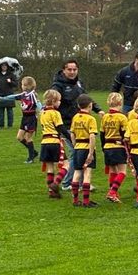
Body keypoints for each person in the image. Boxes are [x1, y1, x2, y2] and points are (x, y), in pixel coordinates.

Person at [50, 58, 101, 189]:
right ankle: (67, 183)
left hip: (80, 123)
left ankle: (82, 183)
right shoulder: (58, 86)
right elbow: (52, 102)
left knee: (80, 152)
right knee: (75, 152)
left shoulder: (79, 83)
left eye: (75, 69)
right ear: (64, 70)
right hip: (66, 125)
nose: (72, 72)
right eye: (69, 69)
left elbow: (86, 99)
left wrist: (98, 109)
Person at [0, 75, 41, 163]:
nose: (21, 86)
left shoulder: (32, 95)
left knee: (28, 137)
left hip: (31, 118)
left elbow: (38, 104)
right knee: (19, 137)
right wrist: (1, 99)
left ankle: (31, 158)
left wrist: (42, 111)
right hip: (24, 118)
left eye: (22, 84)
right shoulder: (23, 95)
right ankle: (34, 152)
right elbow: (12, 97)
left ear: (27, 86)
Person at [68, 94, 99, 207]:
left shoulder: (75, 117)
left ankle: (75, 200)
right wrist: (91, 153)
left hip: (78, 148)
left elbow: (72, 133)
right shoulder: (91, 119)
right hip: (86, 148)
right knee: (87, 173)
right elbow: (92, 136)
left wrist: (75, 145)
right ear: (90, 105)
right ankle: (86, 201)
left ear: (78, 105)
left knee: (77, 172)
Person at [38, 89, 68, 198]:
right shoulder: (55, 113)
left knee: (50, 168)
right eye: (59, 100)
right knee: (66, 165)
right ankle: (56, 183)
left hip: (44, 142)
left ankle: (51, 192)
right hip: (54, 142)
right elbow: (61, 128)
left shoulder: (42, 113)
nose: (60, 102)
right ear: (54, 101)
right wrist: (70, 138)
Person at [101, 92, 129, 203]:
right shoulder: (122, 117)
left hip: (107, 146)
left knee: (113, 171)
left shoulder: (105, 117)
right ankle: (112, 192)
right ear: (120, 103)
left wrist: (103, 148)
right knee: (122, 172)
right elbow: (124, 134)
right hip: (118, 146)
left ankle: (114, 194)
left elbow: (102, 134)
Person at [0, 61, 18, 129]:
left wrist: (10, 82)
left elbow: (15, 84)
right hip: (0, 94)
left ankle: (10, 125)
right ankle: (1, 126)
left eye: (5, 66)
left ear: (7, 67)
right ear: (0, 67)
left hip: (9, 95)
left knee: (10, 111)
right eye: (2, 66)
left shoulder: (11, 75)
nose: (4, 67)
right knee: (1, 112)